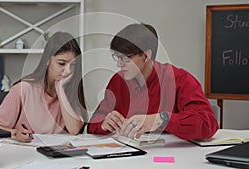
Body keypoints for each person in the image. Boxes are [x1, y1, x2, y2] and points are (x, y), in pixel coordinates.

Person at [87, 23, 219, 140]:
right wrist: (103, 124)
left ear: (146, 56)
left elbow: (208, 124)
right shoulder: (118, 81)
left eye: (125, 58)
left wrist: (161, 119)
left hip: (172, 159)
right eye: (117, 57)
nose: (119, 64)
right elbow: (93, 123)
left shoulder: (180, 79)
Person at [0, 32, 87, 142]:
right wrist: (15, 134)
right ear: (48, 60)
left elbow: (74, 130)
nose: (68, 71)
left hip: (56, 154)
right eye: (61, 64)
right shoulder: (23, 89)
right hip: (25, 153)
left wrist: (60, 90)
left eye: (73, 65)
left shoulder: (70, 91)